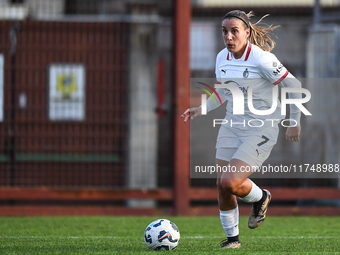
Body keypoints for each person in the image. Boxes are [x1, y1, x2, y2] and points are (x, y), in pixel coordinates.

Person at [181, 10, 302, 249]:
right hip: (231, 125)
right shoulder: (221, 57)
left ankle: (261, 197)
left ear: (247, 33)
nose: (229, 36)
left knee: (229, 181)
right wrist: (201, 108)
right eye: (224, 31)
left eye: (234, 31)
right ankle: (232, 240)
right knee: (222, 185)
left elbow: (294, 85)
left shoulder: (262, 59)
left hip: (261, 128)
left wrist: (294, 121)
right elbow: (223, 91)